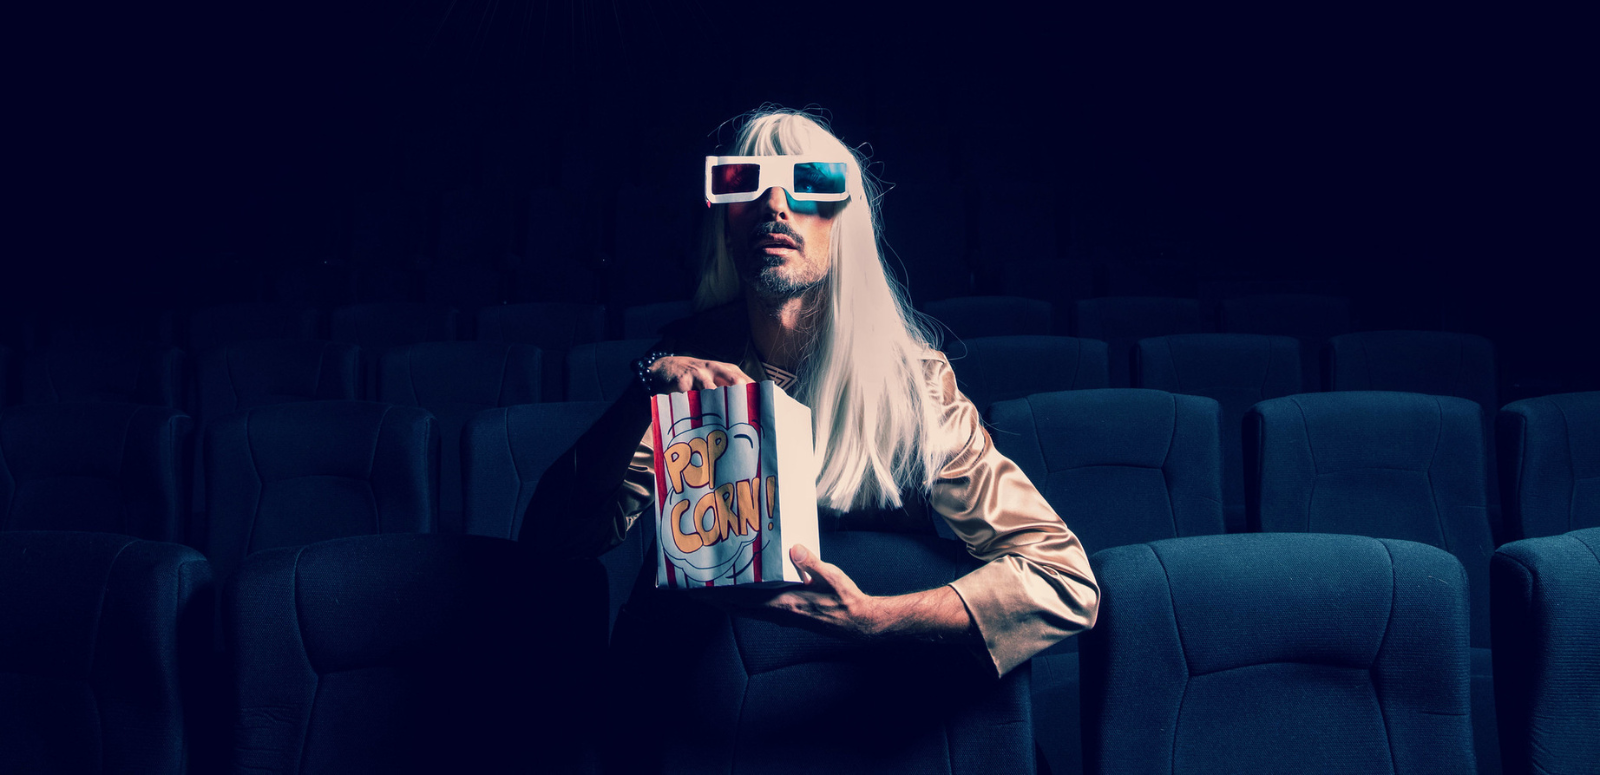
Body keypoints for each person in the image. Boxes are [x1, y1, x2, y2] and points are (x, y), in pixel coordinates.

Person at [526, 107, 1097, 678]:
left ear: (843, 224)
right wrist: (642, 393)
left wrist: (878, 618)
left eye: (810, 182)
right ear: (725, 224)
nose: (775, 204)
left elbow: (1064, 579)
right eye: (744, 182)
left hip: (864, 698)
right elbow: (554, 543)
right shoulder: (686, 363)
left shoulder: (915, 387)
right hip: (705, 692)